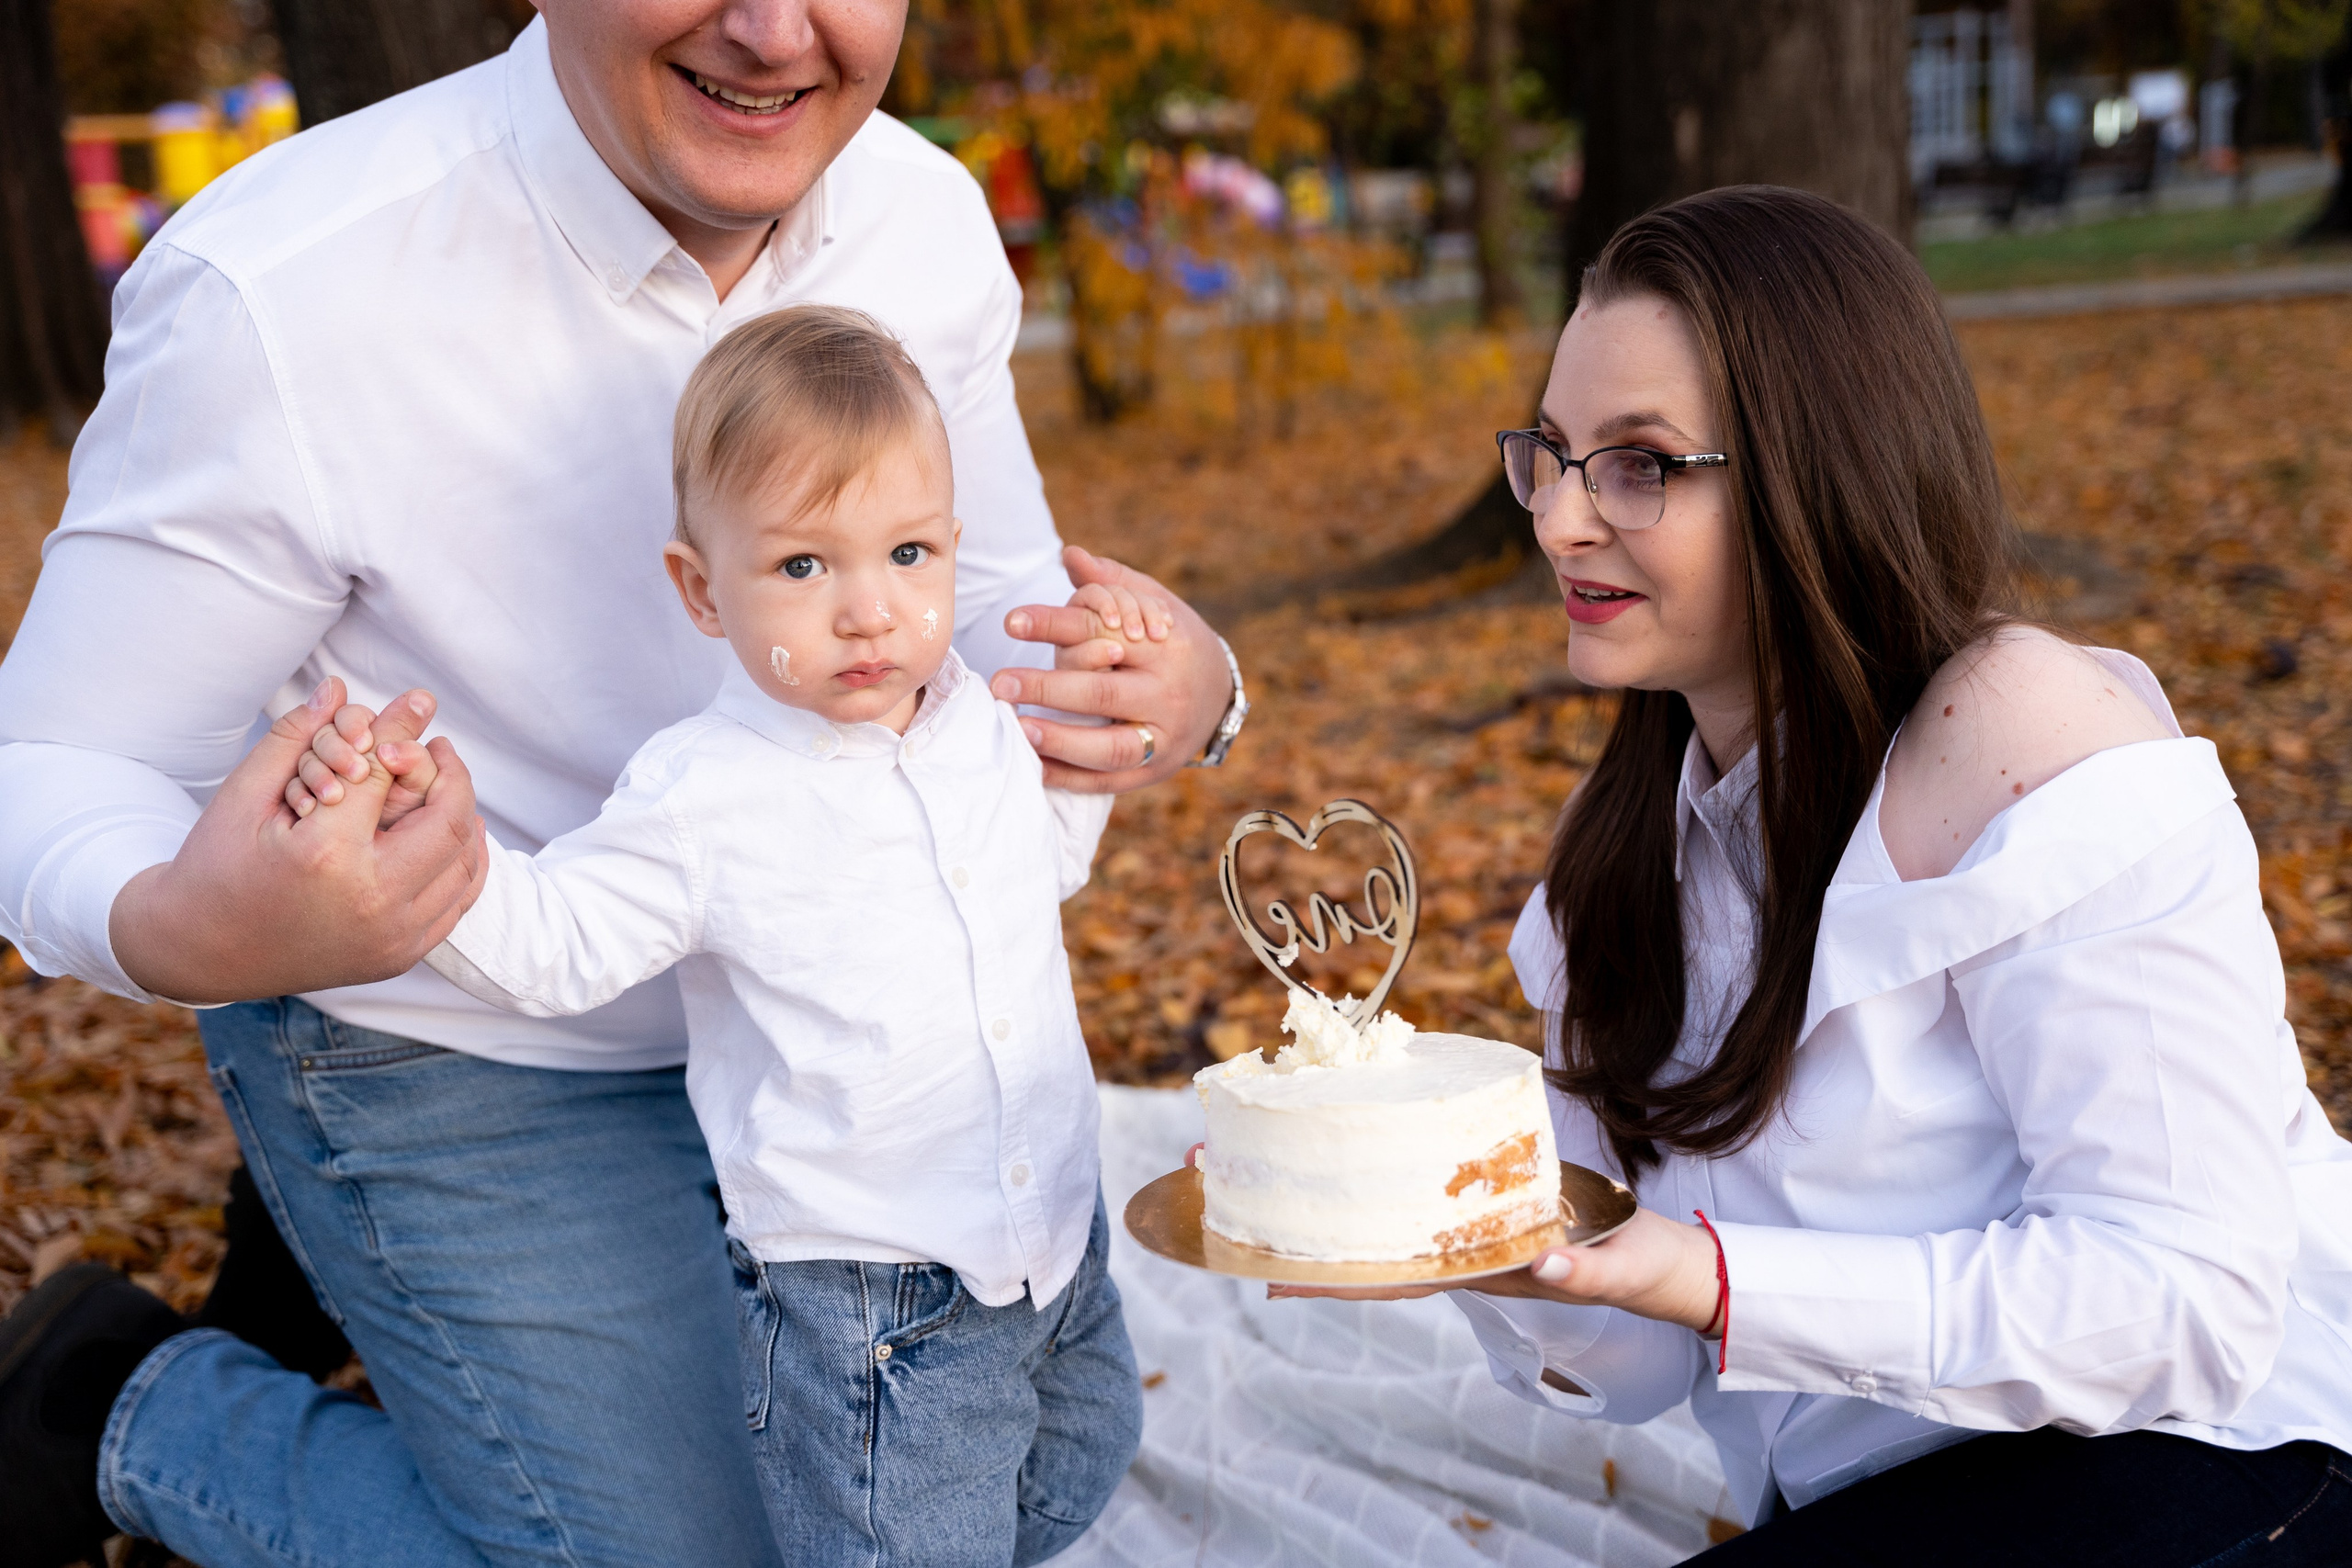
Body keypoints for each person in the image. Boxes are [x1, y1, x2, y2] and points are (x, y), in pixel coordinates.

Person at [0, 6, 1239, 1565]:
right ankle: (129, 1406)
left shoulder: (922, 214)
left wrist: (1187, 692)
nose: (774, 29)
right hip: (470, 1034)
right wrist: (197, 930)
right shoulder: (284, 286)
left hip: (819, 1034)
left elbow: (990, 600)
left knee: (997, 1487)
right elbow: (58, 761)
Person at [1283, 186, 2352, 1563]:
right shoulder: (1622, 850)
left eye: (1639, 463)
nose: (1557, 520)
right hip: (1901, 1500)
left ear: (1816, 472)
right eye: (1550, 454)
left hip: (2230, 1457)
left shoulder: (2018, 732)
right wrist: (1452, 1231)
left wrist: (1724, 1280)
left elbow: (2187, 1302)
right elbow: (1641, 1362)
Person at [348, 303, 1143, 1563]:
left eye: (909, 554)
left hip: (1051, 1231)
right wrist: (429, 857)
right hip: (875, 1306)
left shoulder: (978, 726)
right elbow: (561, 942)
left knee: (1085, 1456)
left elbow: (1042, 863)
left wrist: (1100, 742)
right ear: (702, 590)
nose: (870, 610)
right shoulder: (705, 796)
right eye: (804, 568)